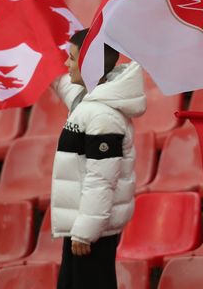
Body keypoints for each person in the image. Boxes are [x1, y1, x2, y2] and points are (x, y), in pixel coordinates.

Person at [51, 28, 147, 289]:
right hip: (83, 225)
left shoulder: (102, 117)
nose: (65, 64)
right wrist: (43, 64)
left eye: (71, 59)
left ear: (88, 65)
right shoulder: (89, 100)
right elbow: (66, 89)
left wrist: (85, 232)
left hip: (92, 231)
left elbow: (102, 180)